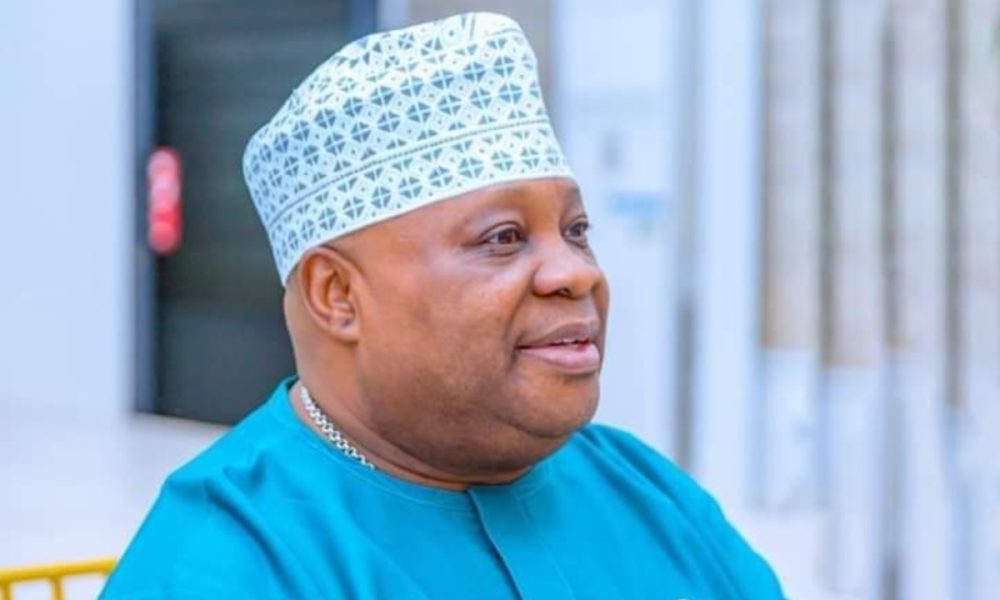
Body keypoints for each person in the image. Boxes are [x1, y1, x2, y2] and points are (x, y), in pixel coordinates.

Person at [101, 12, 784, 600]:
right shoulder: (226, 561)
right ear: (337, 295)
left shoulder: (644, 492)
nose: (577, 273)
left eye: (577, 230)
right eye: (503, 238)